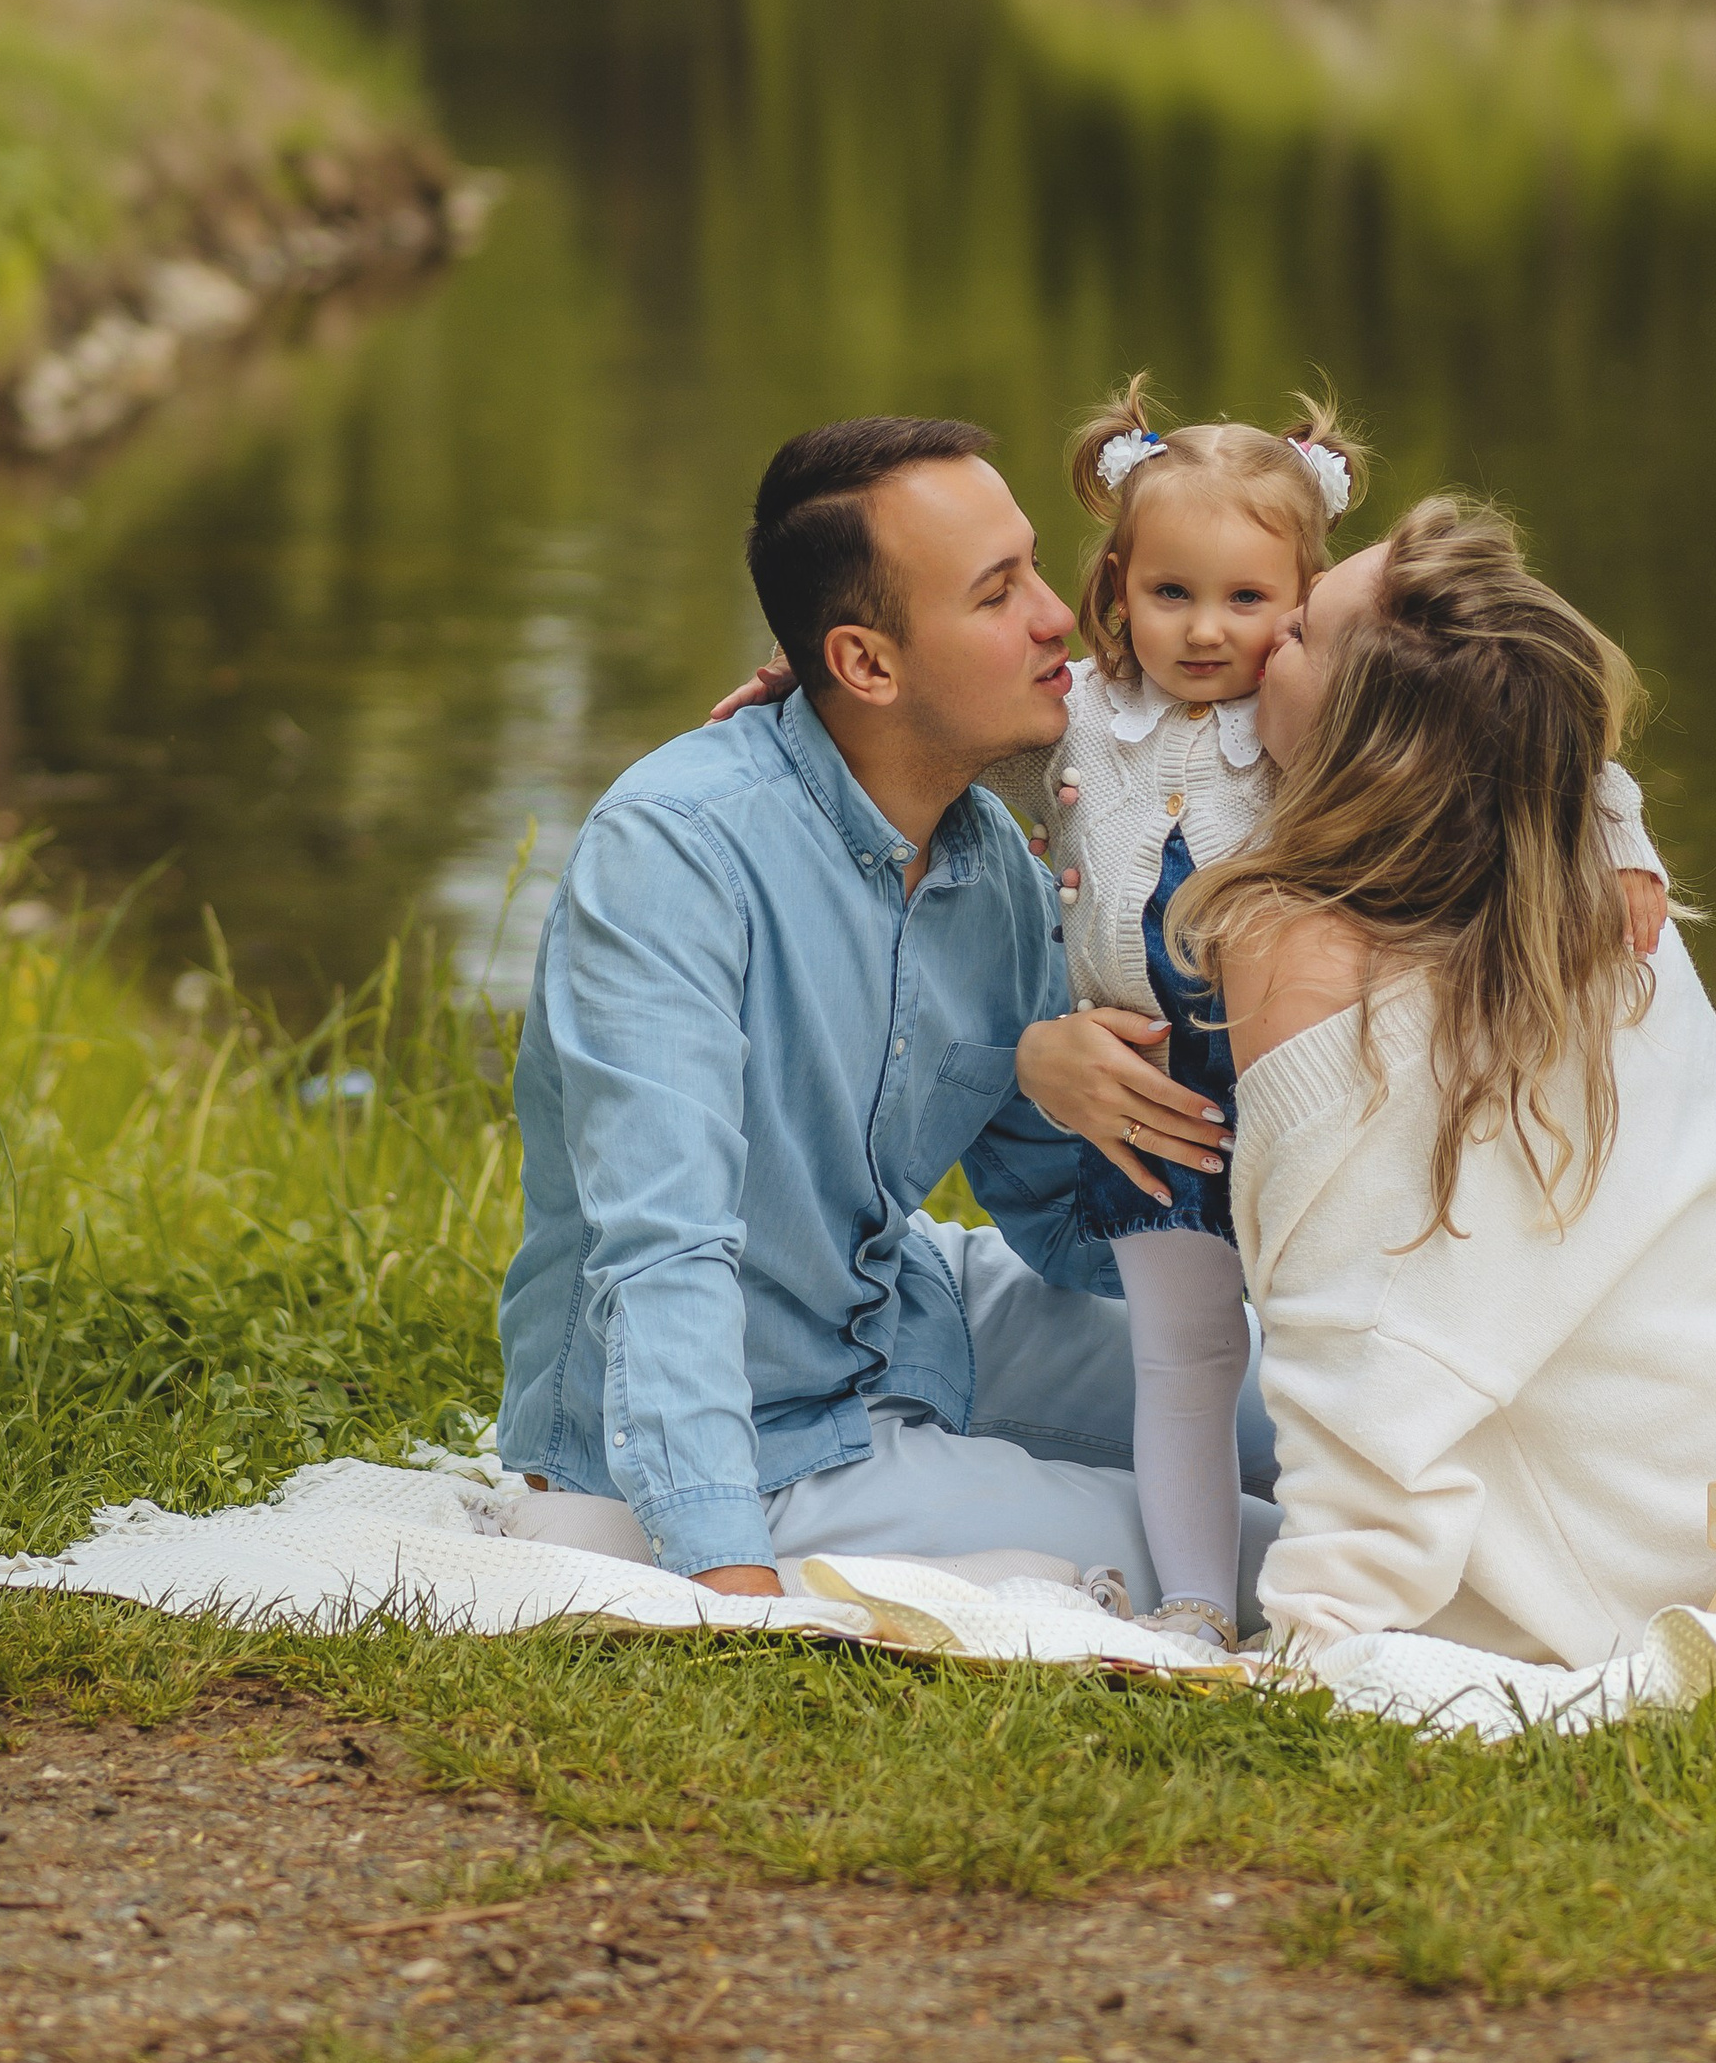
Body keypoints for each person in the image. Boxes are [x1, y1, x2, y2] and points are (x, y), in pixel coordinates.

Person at [492, 416, 1284, 1606]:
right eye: (996, 591)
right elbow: (664, 1249)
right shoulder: (675, 855)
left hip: (920, 1310)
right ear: (865, 665)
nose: (1059, 613)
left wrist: (1119, 1095)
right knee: (1259, 1551)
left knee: (1350, 1421)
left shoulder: (997, 865)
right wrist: (724, 1573)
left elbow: (1073, 1234)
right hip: (761, 1434)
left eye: (1030, 565)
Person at [1181, 497, 1716, 1668]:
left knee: (1113, 1484)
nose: (1262, 626)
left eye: (1295, 634)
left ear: (1355, 745)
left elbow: (1359, 1348)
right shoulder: (1581, 864)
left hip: (1651, 1567)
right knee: (1152, 1395)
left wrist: (1320, 1631)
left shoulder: (1307, 950)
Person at [985, 376, 1668, 1658]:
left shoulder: (1319, 713)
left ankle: (1354, 1569)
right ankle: (1196, 1597)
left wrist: (1616, 828)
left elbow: (1518, 728)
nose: (1204, 632)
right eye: (1169, 593)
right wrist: (810, 686)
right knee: (1182, 1358)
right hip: (1154, 1095)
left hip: (1302, 1087)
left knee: (1322, 1344)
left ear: (1303, 595)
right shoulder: (1076, 720)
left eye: (1248, 601)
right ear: (1115, 586)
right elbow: (942, 719)